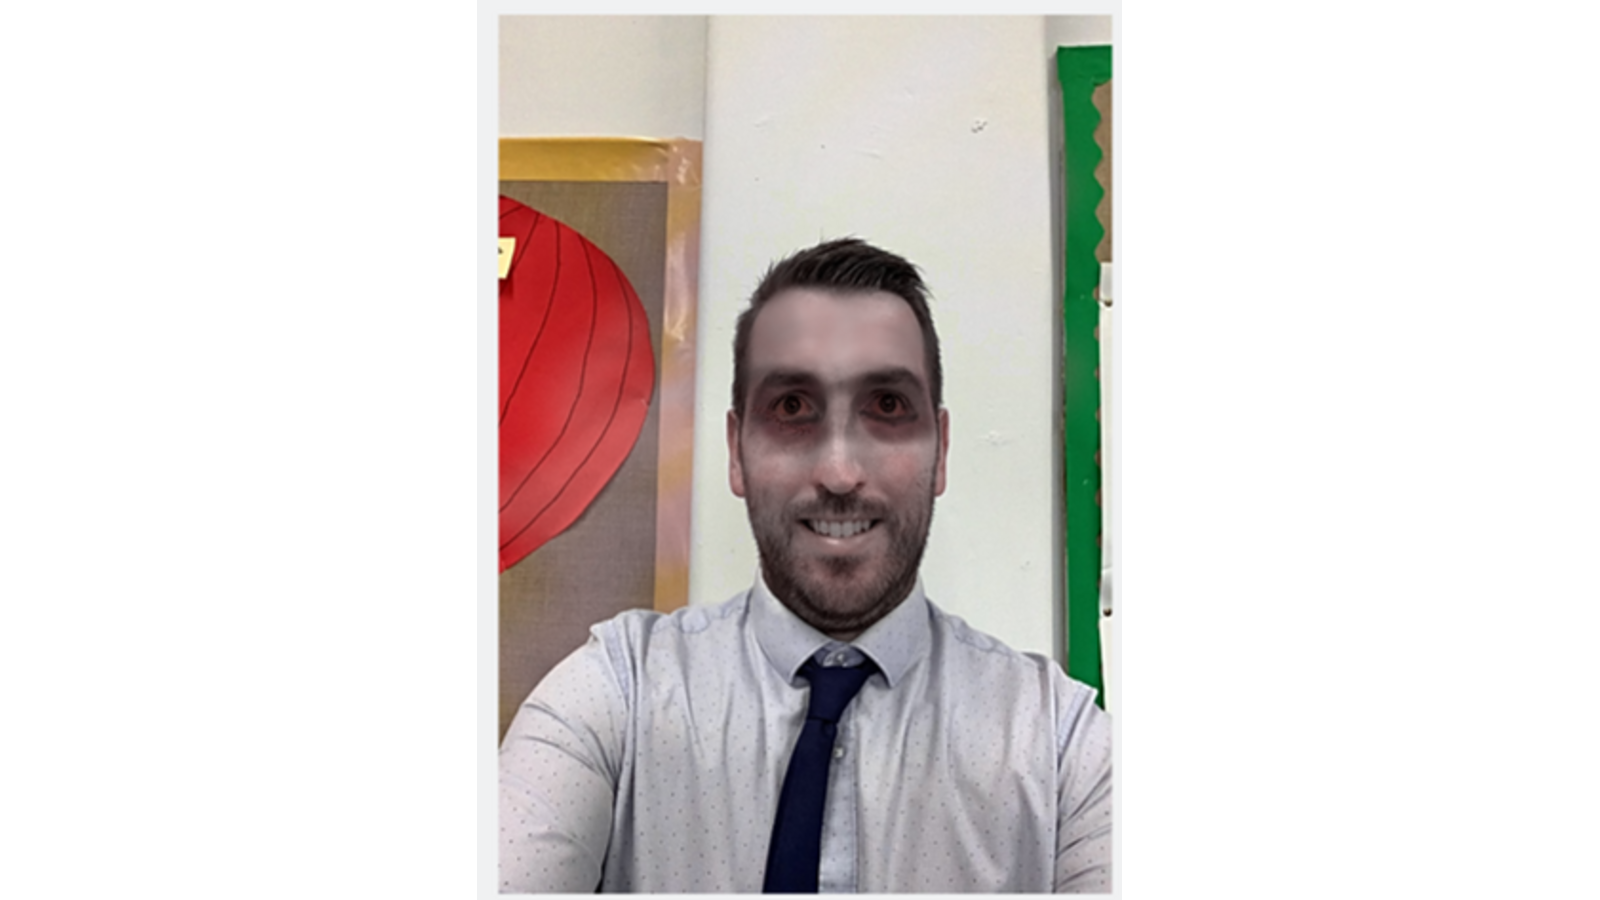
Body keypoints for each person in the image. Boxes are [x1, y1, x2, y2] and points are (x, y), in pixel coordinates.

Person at [499, 238, 1112, 893]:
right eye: (792, 407)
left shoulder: (1061, 745)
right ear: (736, 451)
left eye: (887, 406)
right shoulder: (615, 693)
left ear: (941, 449)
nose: (840, 472)